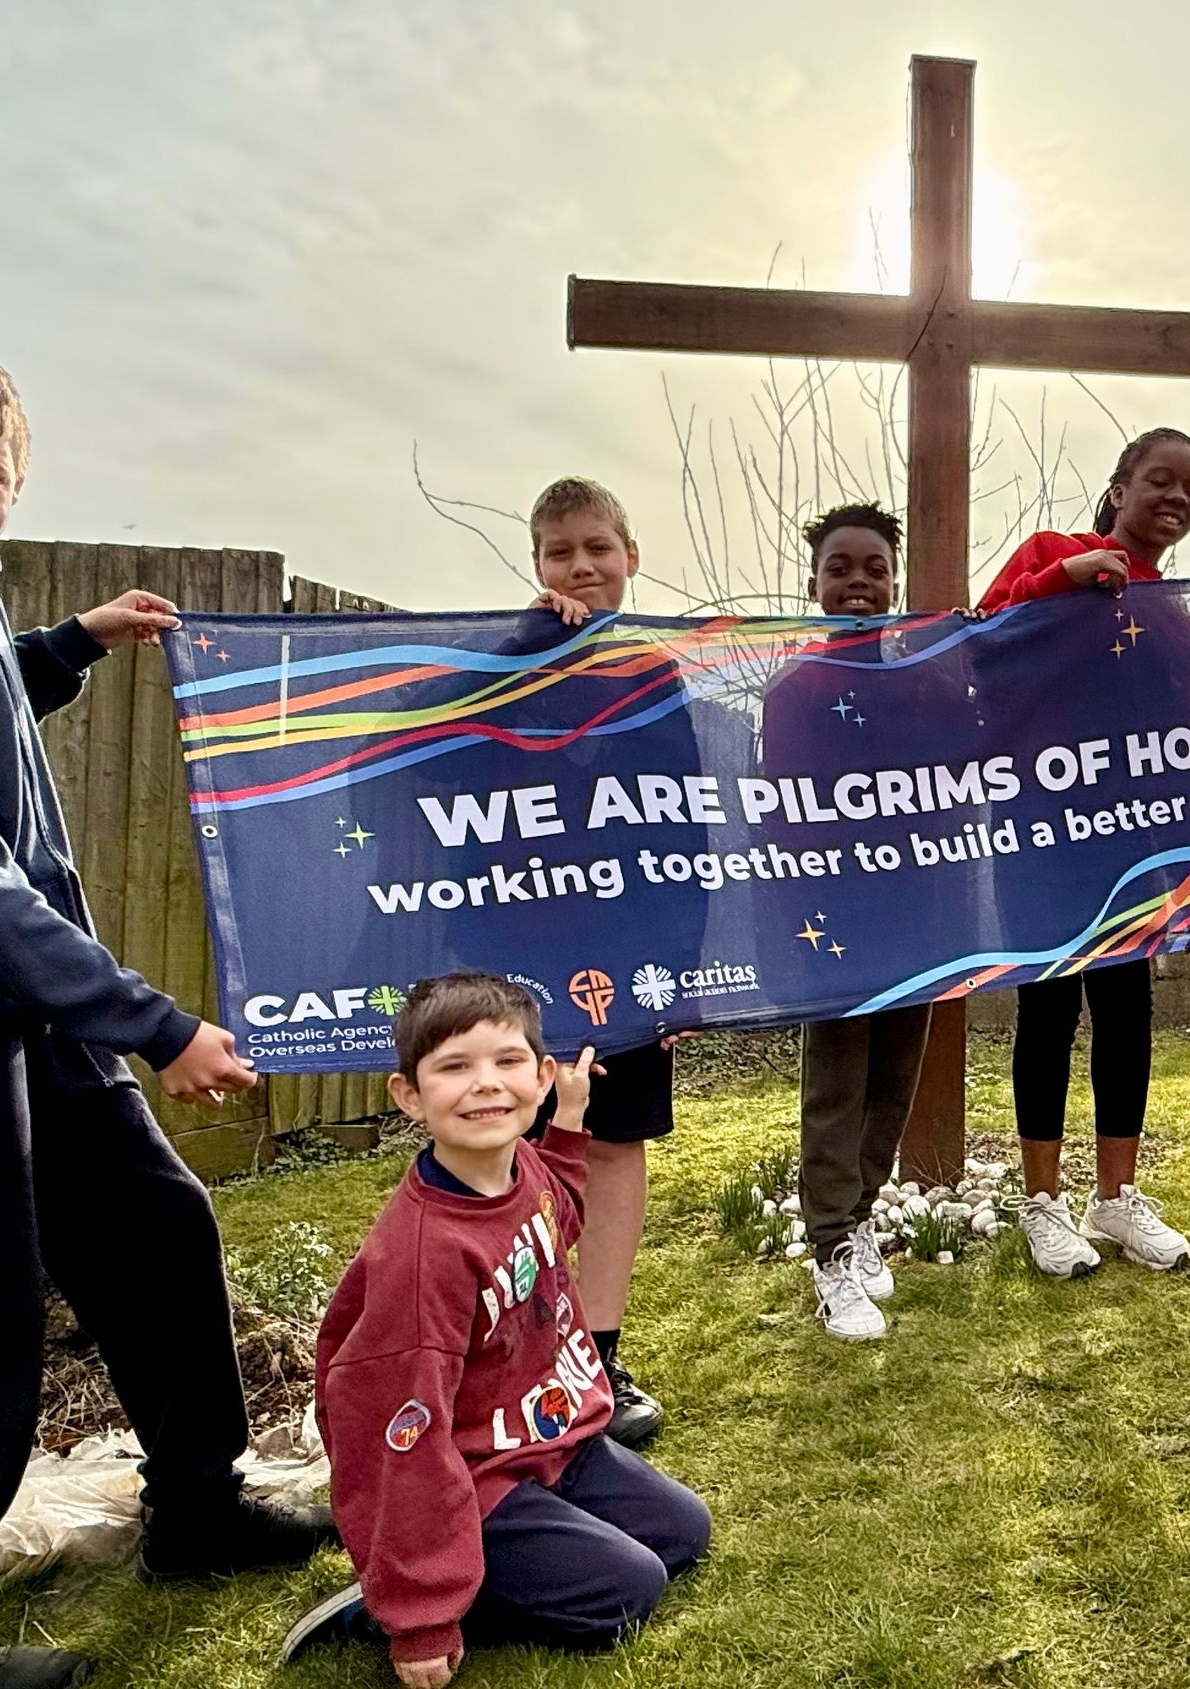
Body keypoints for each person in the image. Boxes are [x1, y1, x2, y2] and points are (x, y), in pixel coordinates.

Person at [0, 321, 334, 1689]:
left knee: (158, 1230)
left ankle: (198, 1509)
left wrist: (71, 643)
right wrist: (154, 1023)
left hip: (32, 1007)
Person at [295, 973, 710, 1686]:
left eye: (508, 1061)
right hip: (469, 1475)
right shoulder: (423, 1260)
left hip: (548, 1439)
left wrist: (570, 1120)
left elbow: (558, 1217)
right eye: (455, 1067)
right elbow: (397, 1443)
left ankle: (511, 1548)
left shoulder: (522, 1166)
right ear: (409, 1095)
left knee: (682, 1531)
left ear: (541, 1076)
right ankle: (408, 1595)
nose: (486, 1083)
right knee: (628, 1589)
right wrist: (423, 1619)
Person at [976, 428, 1190, 1278]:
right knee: (1046, 1009)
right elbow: (979, 645)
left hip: (1135, 842)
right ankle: (1042, 1204)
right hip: (1043, 831)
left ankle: (1115, 1198)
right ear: (1117, 489)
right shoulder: (1051, 551)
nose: (1176, 497)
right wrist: (1060, 582)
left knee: (1126, 1012)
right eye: (1161, 479)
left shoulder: (1175, 613)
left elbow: (1188, 746)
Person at [506, 475, 681, 1444]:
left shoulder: (656, 673)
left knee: (614, 1145)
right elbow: (443, 759)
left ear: (629, 557)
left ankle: (598, 1353)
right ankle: (516, 1352)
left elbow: (686, 826)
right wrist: (534, 647)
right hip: (513, 961)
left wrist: (680, 969)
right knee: (512, 1146)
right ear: (536, 564)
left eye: (596, 547)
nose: (579, 566)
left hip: (630, 956)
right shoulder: (502, 661)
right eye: (559, 551)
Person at [760, 504, 936, 1340]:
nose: (858, 582)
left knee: (894, 1080)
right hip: (830, 921)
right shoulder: (795, 691)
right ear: (814, 584)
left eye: (874, 568)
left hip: (917, 917)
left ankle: (860, 1216)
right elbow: (784, 814)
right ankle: (829, 1246)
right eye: (841, 568)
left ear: (894, 583)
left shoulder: (923, 682)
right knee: (837, 1084)